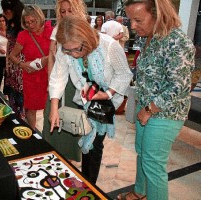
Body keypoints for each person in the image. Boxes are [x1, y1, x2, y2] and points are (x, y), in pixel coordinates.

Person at [117, 0, 195, 199]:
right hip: (146, 108)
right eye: (129, 20)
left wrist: (150, 109)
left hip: (165, 114)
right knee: (143, 154)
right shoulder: (148, 37)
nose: (132, 26)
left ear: (157, 14)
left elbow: (179, 86)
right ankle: (140, 193)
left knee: (153, 164)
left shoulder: (176, 41)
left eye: (138, 20)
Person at [49, 15, 133, 184]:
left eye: (77, 49)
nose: (72, 54)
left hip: (104, 101)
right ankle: (87, 181)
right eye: (68, 50)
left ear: (86, 39)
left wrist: (108, 93)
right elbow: (58, 76)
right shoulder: (65, 48)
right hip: (84, 99)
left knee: (94, 142)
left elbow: (124, 74)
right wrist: (54, 108)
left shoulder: (109, 45)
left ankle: (89, 185)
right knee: (88, 138)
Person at [44, 0, 88, 163]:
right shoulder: (57, 29)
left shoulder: (84, 28)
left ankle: (70, 155)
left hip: (78, 83)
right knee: (54, 114)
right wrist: (50, 82)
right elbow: (52, 56)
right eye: (63, 12)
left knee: (74, 119)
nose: (66, 15)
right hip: (60, 78)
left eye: (70, 11)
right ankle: (54, 154)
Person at [9, 5, 53, 132]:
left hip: (49, 74)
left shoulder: (51, 31)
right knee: (31, 108)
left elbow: (59, 53)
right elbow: (12, 55)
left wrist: (47, 59)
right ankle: (33, 133)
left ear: (39, 17)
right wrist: (22, 65)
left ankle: (47, 134)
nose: (30, 25)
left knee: (49, 107)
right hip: (31, 76)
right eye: (27, 22)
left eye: (33, 21)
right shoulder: (23, 35)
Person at [1, 0, 25, 119]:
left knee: (19, 89)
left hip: (19, 59)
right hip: (10, 60)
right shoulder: (10, 24)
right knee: (11, 88)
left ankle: (20, 117)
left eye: (6, 11)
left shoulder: (22, 25)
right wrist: (7, 60)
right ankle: (14, 114)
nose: (4, 14)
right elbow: (8, 43)